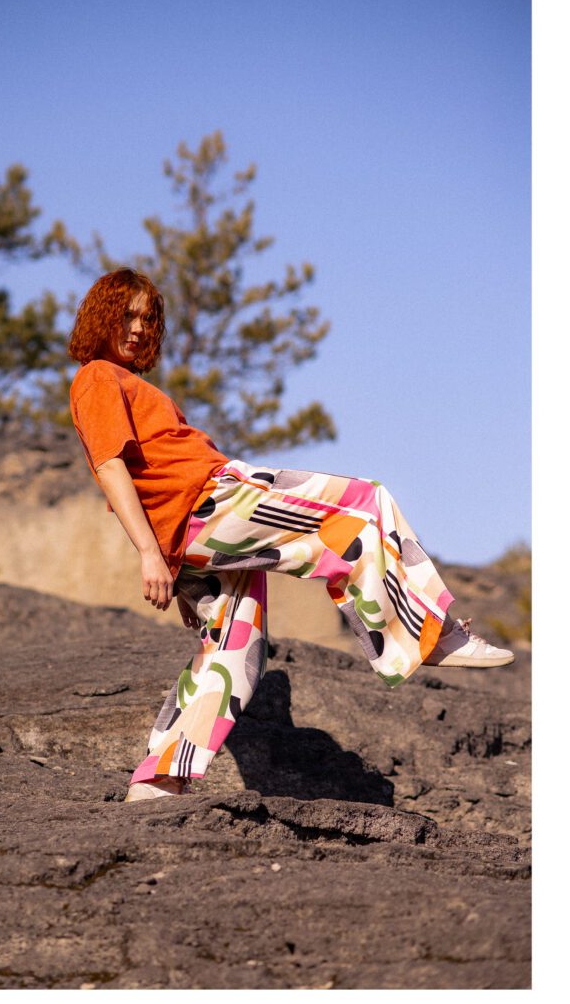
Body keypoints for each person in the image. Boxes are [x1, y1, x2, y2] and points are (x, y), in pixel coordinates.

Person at [68, 268, 514, 802]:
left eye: (147, 318)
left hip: (192, 533)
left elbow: (146, 480)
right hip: (214, 500)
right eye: (127, 315)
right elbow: (111, 468)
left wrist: (174, 563)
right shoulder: (97, 377)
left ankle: (161, 778)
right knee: (364, 503)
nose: (138, 328)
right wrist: (148, 552)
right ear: (101, 316)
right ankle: (429, 633)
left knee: (235, 651)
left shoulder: (128, 384)